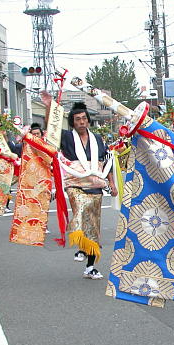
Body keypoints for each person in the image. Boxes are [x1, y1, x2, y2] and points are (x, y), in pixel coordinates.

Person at [59, 102, 118, 278]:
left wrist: (112, 183)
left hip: (96, 185)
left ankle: (90, 266)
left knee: (93, 225)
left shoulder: (98, 139)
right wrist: (49, 108)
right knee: (81, 207)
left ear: (88, 120)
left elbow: (107, 162)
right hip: (75, 184)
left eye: (84, 118)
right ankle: (80, 246)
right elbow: (51, 127)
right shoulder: (67, 137)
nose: (82, 122)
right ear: (72, 122)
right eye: (77, 119)